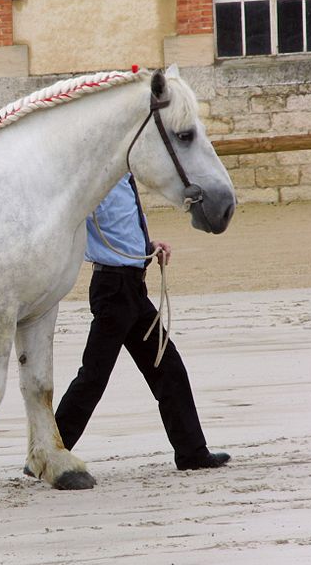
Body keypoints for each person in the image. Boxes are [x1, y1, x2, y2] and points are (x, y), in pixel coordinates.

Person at [48, 173, 230, 472]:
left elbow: (120, 227)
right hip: (113, 287)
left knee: (167, 367)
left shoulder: (122, 177)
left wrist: (147, 246)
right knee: (93, 377)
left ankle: (192, 453)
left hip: (131, 286)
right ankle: (48, 452)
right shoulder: (94, 181)